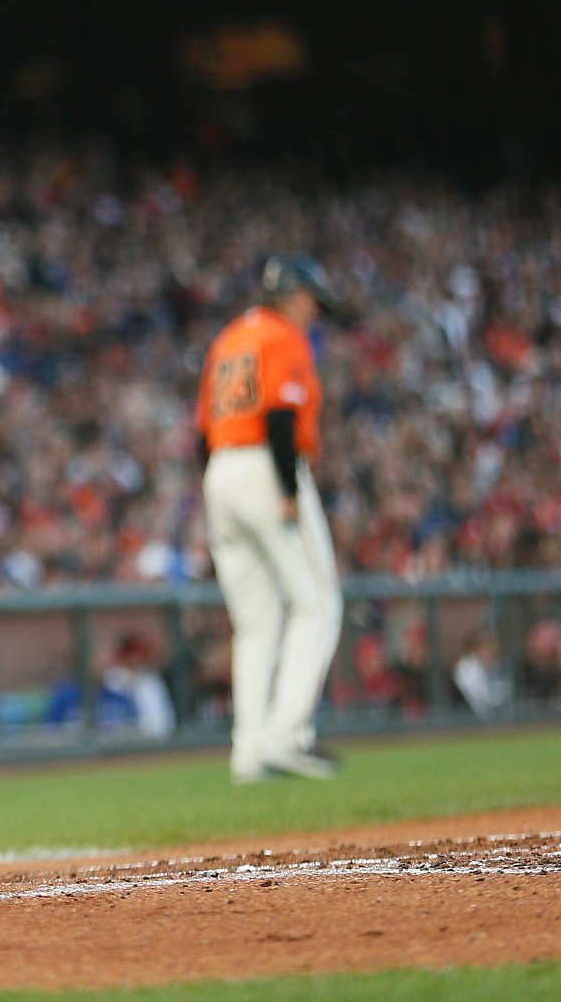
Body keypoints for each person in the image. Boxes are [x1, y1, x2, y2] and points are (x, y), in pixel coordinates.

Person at [197, 255, 345, 783]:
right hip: (266, 465)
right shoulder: (282, 336)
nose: (315, 314)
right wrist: (286, 487)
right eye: (312, 302)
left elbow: (203, 431)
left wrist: (214, 488)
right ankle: (287, 735)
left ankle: (249, 751)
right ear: (295, 296)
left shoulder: (229, 339)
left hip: (221, 472)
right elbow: (281, 413)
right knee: (318, 602)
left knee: (255, 623)